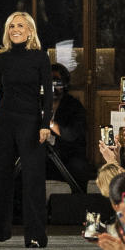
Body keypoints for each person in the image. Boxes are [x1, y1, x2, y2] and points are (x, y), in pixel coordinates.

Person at [0, 12, 52, 248]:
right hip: (6, 122)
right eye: (11, 25)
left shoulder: (40, 58)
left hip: (31, 122)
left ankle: (35, 236)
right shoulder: (0, 60)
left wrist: (45, 125)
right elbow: (3, 93)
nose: (15, 29)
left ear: (30, 31)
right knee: (0, 174)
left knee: (33, 179)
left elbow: (49, 95)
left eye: (20, 25)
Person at [47, 63, 91, 191]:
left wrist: (49, 123)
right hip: (43, 158)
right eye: (49, 82)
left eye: (57, 83)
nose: (53, 87)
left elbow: (72, 134)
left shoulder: (74, 106)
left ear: (65, 85)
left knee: (80, 167)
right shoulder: (37, 103)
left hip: (67, 157)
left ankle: (78, 207)